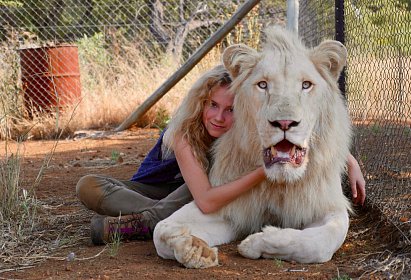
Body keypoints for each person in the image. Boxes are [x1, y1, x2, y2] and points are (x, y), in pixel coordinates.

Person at [76, 65, 366, 245]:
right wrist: (262, 170)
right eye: (212, 105)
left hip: (202, 188)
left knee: (204, 184)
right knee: (87, 185)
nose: (218, 117)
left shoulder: (245, 129)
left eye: (231, 110)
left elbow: (293, 138)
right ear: (201, 103)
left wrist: (348, 161)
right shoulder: (183, 134)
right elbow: (205, 199)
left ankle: (146, 219)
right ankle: (152, 217)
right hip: (165, 189)